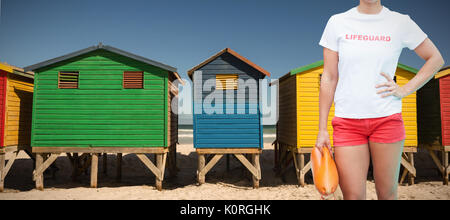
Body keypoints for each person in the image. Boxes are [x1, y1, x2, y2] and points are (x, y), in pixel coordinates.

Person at [315, 0, 445, 200]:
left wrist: (404, 89)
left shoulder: (400, 22)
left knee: (388, 194)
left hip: (387, 120)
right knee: (353, 197)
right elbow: (329, 77)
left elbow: (435, 58)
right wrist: (322, 128)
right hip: (348, 123)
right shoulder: (337, 22)